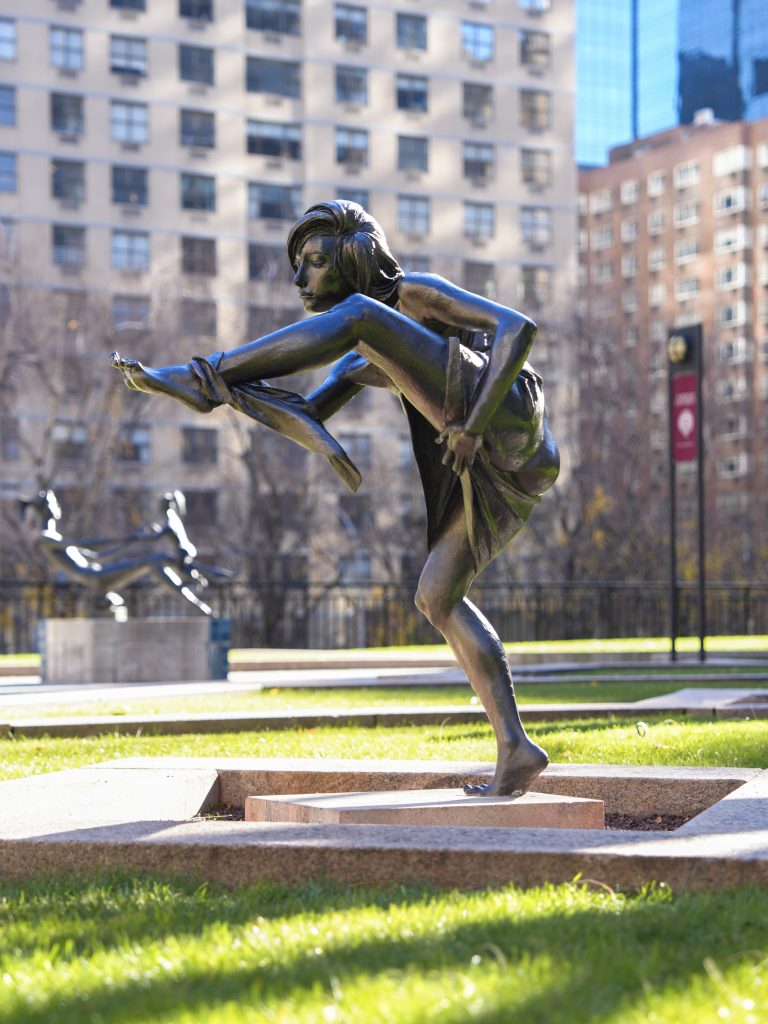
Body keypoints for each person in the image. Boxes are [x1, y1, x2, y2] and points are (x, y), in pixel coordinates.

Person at [112, 200, 560, 796]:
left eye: (315, 262)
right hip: (508, 471)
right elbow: (307, 413)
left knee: (360, 319)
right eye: (298, 267)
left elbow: (518, 329)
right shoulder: (364, 344)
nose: (301, 280)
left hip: (504, 423)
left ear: (355, 258)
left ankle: (202, 375)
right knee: (436, 596)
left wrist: (474, 424)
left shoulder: (410, 297)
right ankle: (516, 748)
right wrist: (241, 396)